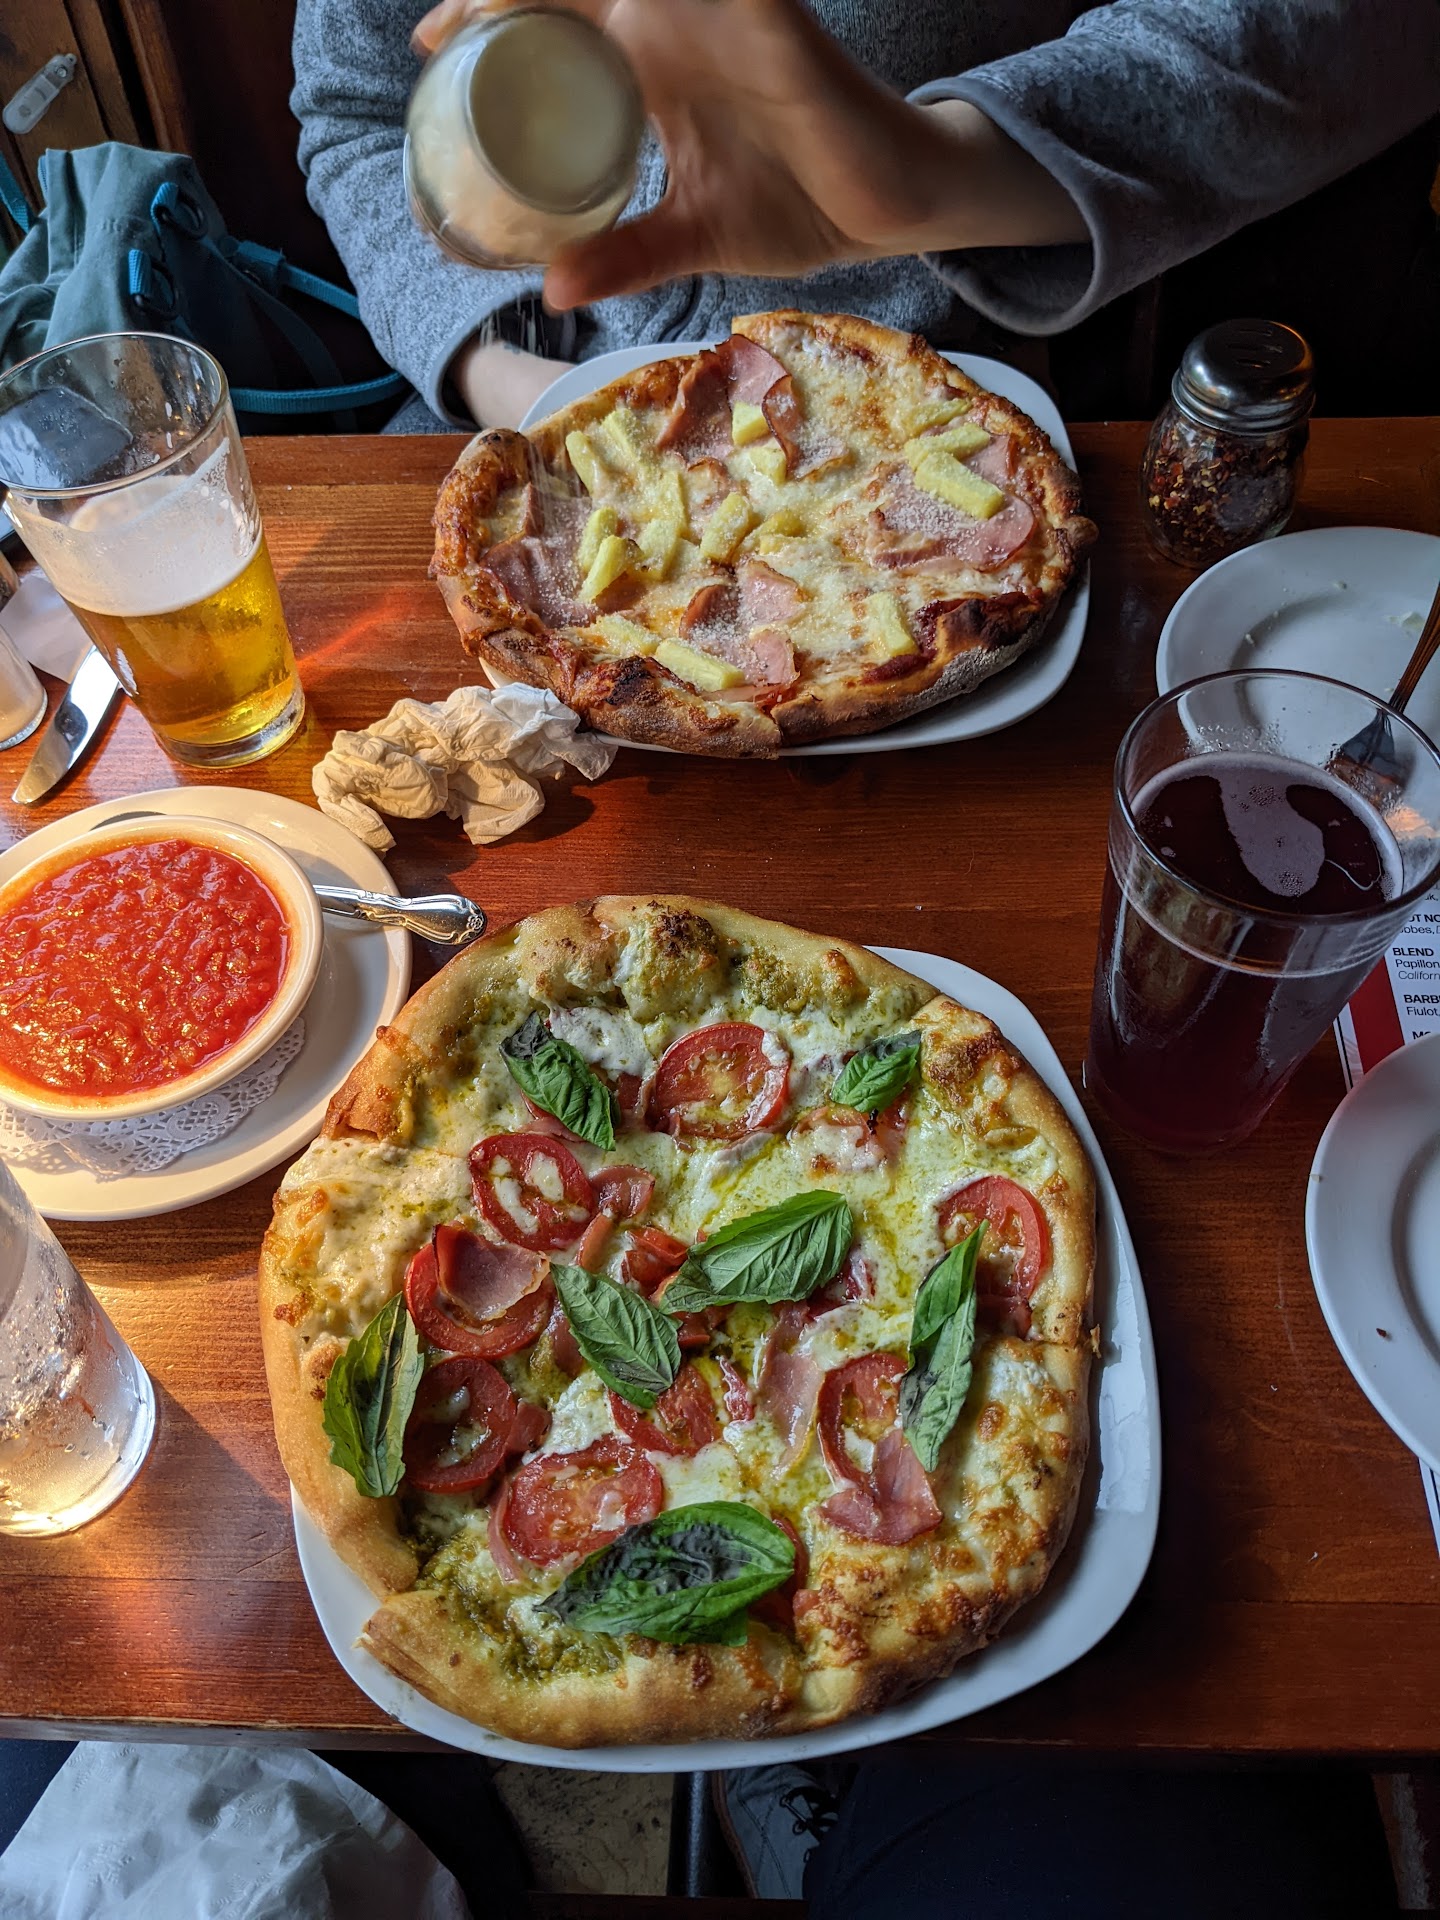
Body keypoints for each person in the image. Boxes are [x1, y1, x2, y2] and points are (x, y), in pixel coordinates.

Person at [290, 0, 1439, 433]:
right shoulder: (532, 402)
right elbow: (358, 107)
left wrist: (943, 166)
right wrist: (528, 386)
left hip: (984, 411)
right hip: (523, 415)